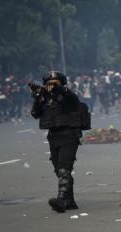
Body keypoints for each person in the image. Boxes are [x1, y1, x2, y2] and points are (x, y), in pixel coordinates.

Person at [30, 71, 84, 213]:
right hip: (53, 137)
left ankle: (61, 200)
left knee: (64, 169)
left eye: (55, 82)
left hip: (69, 136)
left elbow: (75, 102)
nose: (51, 85)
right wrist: (37, 97)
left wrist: (59, 90)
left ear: (62, 83)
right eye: (49, 83)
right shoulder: (45, 98)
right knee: (59, 171)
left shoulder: (68, 96)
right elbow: (35, 114)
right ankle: (70, 201)